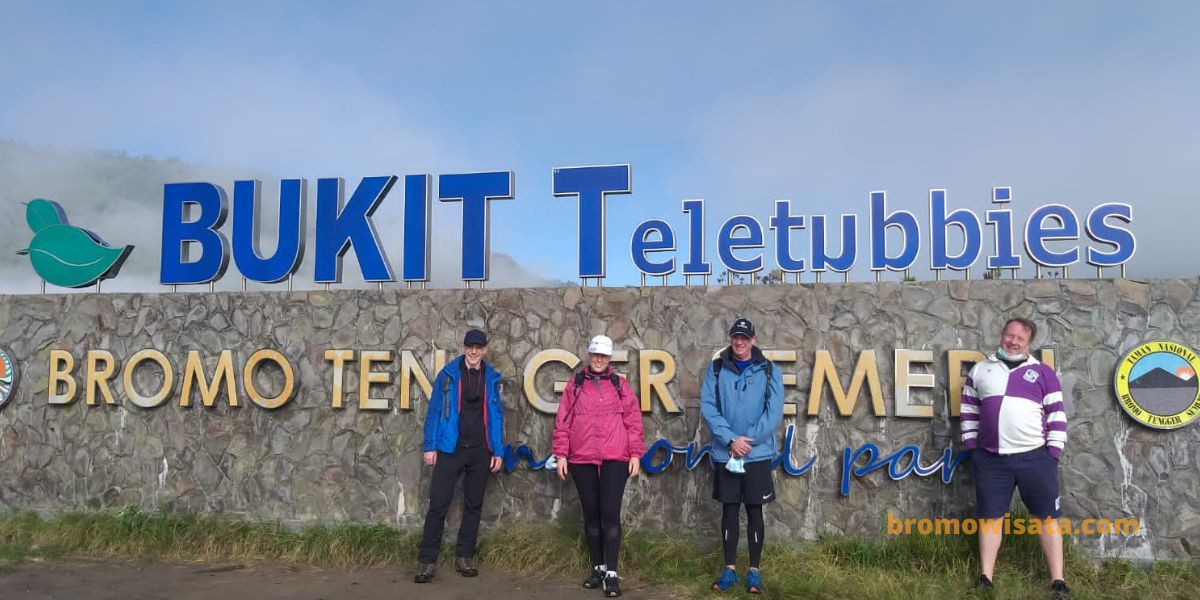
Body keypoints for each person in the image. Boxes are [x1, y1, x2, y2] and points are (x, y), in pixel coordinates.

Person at [961, 318, 1070, 599]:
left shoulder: (1043, 373)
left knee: (1047, 519)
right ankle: (986, 577)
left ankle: (1058, 580)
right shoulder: (981, 369)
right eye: (1009, 335)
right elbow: (968, 411)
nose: (1013, 341)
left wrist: (1052, 454)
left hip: (1036, 458)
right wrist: (973, 448)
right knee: (990, 518)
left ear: (1028, 343)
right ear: (1002, 335)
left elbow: (1057, 414)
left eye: (1020, 338)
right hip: (991, 460)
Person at [552, 334, 645, 598]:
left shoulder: (620, 385)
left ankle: (613, 574)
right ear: (590, 354)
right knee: (591, 516)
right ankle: (598, 568)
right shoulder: (576, 384)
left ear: (609, 358)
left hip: (616, 458)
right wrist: (561, 454)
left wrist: (635, 454)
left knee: (610, 515)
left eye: (603, 355)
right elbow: (563, 421)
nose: (598, 359)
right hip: (582, 458)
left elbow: (634, 421)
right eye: (595, 354)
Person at [699, 318, 784, 595]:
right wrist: (730, 439)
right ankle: (730, 570)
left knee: (755, 511)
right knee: (729, 511)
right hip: (727, 453)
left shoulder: (770, 370)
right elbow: (709, 407)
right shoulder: (716, 368)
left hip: (756, 454)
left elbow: (774, 413)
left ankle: (754, 572)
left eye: (744, 338)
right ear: (730, 337)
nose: (739, 342)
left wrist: (748, 441)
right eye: (736, 337)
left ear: (753, 340)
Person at [414, 329, 505, 583]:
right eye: (470, 346)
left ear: (485, 349)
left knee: (474, 505)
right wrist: (430, 447)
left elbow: (497, 417)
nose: (474, 351)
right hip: (450, 448)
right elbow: (433, 413)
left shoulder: (492, 378)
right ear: (464, 348)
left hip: (480, 451)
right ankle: (426, 561)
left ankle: (465, 556)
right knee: (438, 504)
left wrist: (497, 450)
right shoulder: (448, 376)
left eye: (478, 347)